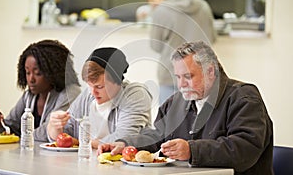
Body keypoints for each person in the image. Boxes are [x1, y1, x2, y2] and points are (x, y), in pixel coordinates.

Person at [98, 41, 274, 175]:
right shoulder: (176, 103)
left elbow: (245, 148)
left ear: (210, 71)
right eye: (178, 77)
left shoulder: (243, 98)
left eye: (188, 76)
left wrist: (192, 150)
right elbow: (157, 135)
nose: (181, 85)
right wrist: (125, 144)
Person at [47, 47, 152, 149]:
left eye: (100, 86)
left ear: (117, 81)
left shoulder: (136, 94)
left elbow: (124, 138)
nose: (93, 92)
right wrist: (54, 126)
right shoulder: (88, 94)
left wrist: (82, 143)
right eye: (89, 85)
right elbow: (64, 135)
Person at [0, 39, 81, 141]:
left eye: (38, 73)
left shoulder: (70, 93)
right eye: (27, 72)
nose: (31, 79)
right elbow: (12, 126)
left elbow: (47, 132)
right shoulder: (30, 95)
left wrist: (24, 138)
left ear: (53, 72)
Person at [150, 0, 217, 104]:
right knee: (200, 120)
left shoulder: (162, 10)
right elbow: (212, 38)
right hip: (200, 75)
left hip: (171, 75)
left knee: (169, 121)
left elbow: (155, 46)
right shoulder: (204, 7)